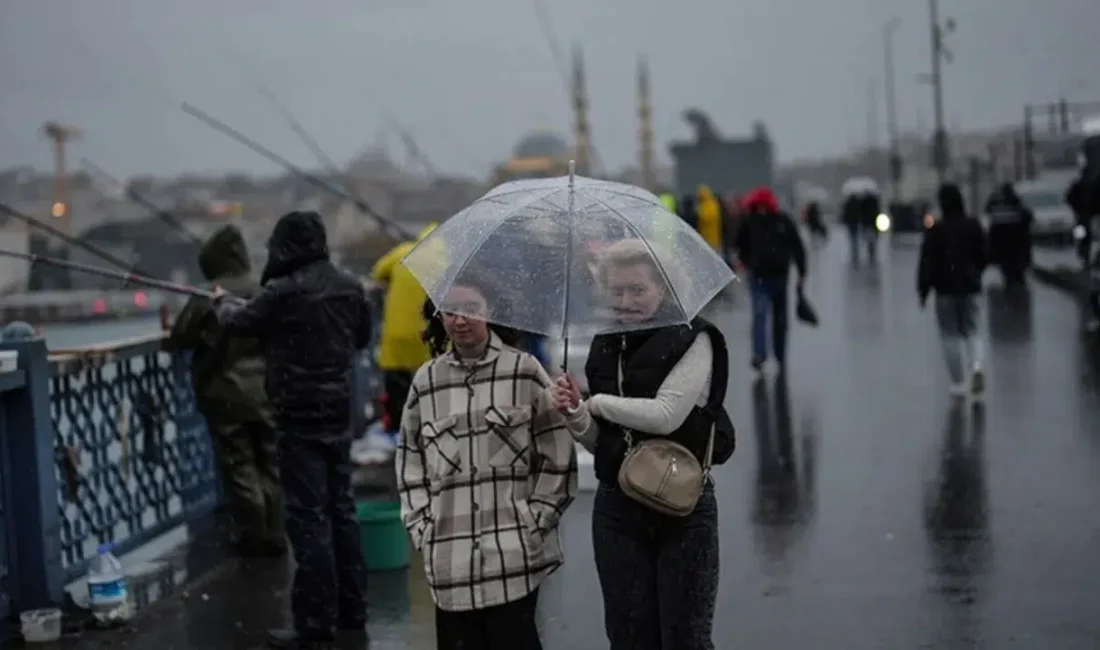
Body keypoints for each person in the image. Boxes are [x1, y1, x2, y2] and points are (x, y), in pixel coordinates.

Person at [551, 237, 734, 650]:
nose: (626, 300)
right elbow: (603, 443)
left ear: (663, 288)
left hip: (683, 506)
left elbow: (666, 414)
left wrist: (596, 402)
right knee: (629, 639)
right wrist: (575, 413)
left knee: (685, 639)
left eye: (638, 290)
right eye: (616, 290)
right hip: (618, 507)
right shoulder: (604, 345)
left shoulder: (695, 338)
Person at [213, 211, 372, 648]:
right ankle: (353, 610)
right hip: (339, 411)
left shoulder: (282, 292)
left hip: (296, 415)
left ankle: (313, 623)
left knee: (308, 518)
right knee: (342, 509)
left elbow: (238, 323)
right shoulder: (349, 287)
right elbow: (360, 339)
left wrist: (221, 302)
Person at [397, 274, 578, 650]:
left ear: (490, 312)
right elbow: (409, 461)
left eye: (471, 310)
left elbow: (557, 452)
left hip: (515, 559)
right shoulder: (426, 382)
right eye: (450, 311)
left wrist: (537, 520)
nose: (460, 320)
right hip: (450, 563)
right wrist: (423, 530)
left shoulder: (523, 370)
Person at [163, 224, 284, 558]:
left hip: (223, 394)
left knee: (239, 463)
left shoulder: (208, 295)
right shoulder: (264, 289)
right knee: (270, 461)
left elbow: (179, 339)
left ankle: (254, 535)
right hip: (266, 392)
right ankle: (275, 532)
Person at [369, 223, 437, 460]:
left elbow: (377, 272)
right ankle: (428, 431)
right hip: (429, 335)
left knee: (397, 387)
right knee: (431, 387)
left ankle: (399, 432)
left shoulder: (404, 252)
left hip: (396, 333)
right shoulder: (449, 260)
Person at [918, 183, 988, 398]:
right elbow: (985, 253)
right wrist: (976, 272)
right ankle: (977, 366)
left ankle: (958, 382)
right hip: (970, 286)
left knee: (950, 335)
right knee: (972, 331)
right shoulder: (973, 225)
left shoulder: (936, 230)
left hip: (945, 290)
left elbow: (927, 262)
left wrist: (923, 290)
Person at [734, 186, 808, 373]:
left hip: (779, 277)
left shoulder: (782, 221)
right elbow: (740, 244)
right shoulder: (750, 221)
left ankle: (779, 355)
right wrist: (745, 262)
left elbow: (797, 247)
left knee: (779, 319)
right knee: (760, 314)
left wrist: (802, 272)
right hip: (759, 277)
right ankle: (760, 354)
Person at [984, 183, 1033, 287]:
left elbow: (988, 211)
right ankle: (1016, 280)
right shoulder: (1014, 200)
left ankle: (1010, 279)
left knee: (1005, 261)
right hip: (1014, 237)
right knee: (1014, 261)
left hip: (1000, 238)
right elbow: (1025, 216)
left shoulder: (995, 201)